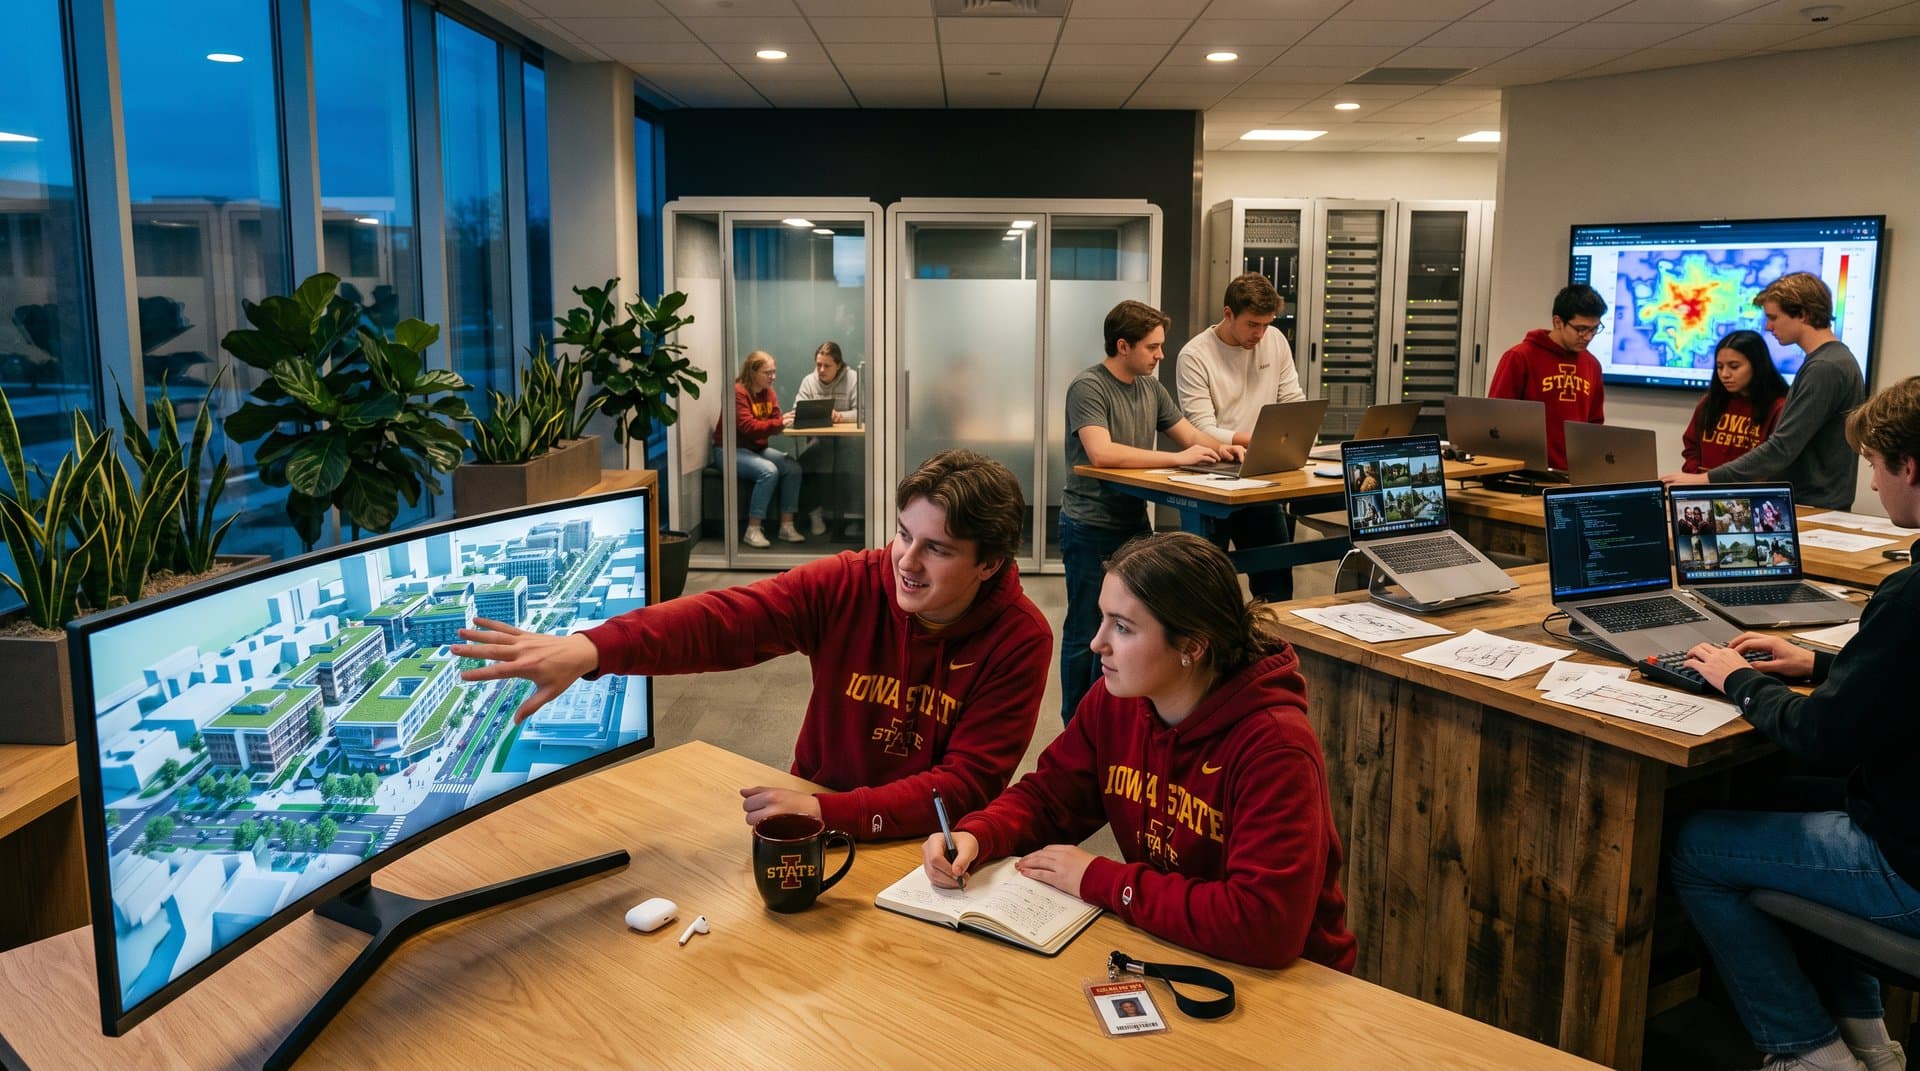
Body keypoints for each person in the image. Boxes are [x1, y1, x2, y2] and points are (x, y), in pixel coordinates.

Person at [452, 449, 1053, 842]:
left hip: (920, 841)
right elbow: (726, 620)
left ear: (989, 564)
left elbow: (964, 786)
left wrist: (829, 813)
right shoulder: (852, 582)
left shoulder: (1020, 638)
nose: (907, 562)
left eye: (937, 549)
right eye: (903, 535)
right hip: (810, 811)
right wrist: (593, 648)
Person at [921, 532, 1356, 971]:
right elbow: (1049, 799)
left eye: (1123, 627)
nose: (1097, 643)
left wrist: (1103, 880)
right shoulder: (1117, 700)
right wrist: (979, 835)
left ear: (1191, 646)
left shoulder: (1275, 746)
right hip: (1174, 943)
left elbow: (1264, 925)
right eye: (1103, 619)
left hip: (1289, 979)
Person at [1674, 375, 1920, 1071]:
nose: (1871, 482)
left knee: (1695, 844)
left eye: (1874, 464)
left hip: (1907, 868)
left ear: (1909, 467)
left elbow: (1824, 737)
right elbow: (1901, 684)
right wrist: (1814, 662)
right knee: (1771, 797)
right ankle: (1869, 1041)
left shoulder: (1909, 597)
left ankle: (1807, 1051)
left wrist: (1738, 678)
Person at [1059, 300, 1241, 723]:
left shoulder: (1150, 388)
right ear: (1123, 346)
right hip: (1089, 523)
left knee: (1130, 625)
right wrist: (1177, 459)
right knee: (1086, 631)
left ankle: (1114, 721)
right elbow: (1102, 453)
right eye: (1152, 347)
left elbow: (1188, 434)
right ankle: (1075, 726)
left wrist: (1224, 448)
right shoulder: (1088, 386)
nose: (1161, 355)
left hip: (1132, 522)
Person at [1664, 273, 1866, 509]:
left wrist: (1705, 479)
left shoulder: (1824, 367)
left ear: (1802, 314)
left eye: (1773, 317)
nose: (1768, 326)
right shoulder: (1830, 360)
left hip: (1814, 504)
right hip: (1813, 502)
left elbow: (1782, 447)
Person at [1175, 272, 1305, 601]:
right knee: (1209, 591)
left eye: (1266, 324)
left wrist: (1297, 435)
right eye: (1252, 324)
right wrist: (1255, 440)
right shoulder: (1195, 355)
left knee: (1276, 582)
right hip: (1213, 481)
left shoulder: (1275, 341)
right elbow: (1200, 429)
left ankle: (1271, 635)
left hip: (1261, 478)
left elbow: (1293, 402)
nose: (1259, 334)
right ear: (1228, 313)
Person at [1488, 283, 1608, 471]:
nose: (1588, 337)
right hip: (1526, 472)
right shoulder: (1520, 357)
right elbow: (1496, 419)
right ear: (1558, 322)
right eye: (1581, 329)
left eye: (1594, 329)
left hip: (1573, 473)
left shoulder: (1592, 365)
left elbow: (1594, 423)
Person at [715, 350, 804, 548]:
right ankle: (753, 529)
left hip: (755, 449)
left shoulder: (768, 391)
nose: (773, 377)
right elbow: (749, 427)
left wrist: (780, 422)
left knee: (793, 468)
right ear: (752, 372)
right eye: (767, 372)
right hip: (729, 450)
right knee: (768, 471)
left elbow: (775, 418)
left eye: (774, 371)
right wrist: (778, 423)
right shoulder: (737, 392)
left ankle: (787, 526)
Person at [1681, 329, 1789, 475]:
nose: (1725, 374)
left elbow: (1775, 461)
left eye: (1734, 367)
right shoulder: (1709, 401)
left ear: (1756, 366)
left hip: (1749, 487)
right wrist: (1697, 477)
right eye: (1720, 367)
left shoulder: (1778, 407)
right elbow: (1691, 448)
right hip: (1703, 484)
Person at [790, 341, 862, 539]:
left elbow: (862, 412)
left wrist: (840, 416)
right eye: (818, 364)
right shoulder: (809, 381)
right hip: (819, 441)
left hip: (851, 442)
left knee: (847, 467)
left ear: (838, 365)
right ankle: (815, 513)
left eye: (827, 366)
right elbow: (797, 411)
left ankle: (850, 518)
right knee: (802, 466)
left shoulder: (853, 379)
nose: (821, 370)